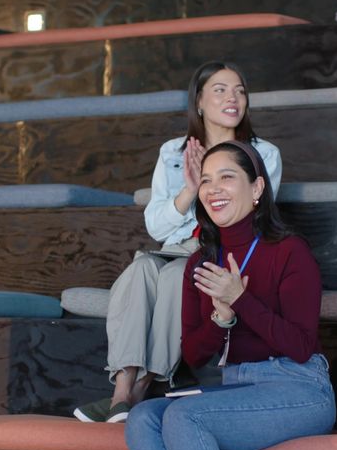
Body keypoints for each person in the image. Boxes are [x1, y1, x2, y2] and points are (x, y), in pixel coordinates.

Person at [125, 141, 334, 450]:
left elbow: (299, 345)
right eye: (205, 179)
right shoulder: (200, 264)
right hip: (239, 389)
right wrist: (221, 318)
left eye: (226, 177)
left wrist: (241, 299)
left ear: (257, 188)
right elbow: (195, 355)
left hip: (299, 389)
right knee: (143, 418)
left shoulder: (290, 251)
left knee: (185, 417)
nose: (213, 188)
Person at [74, 61, 282, 424]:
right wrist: (189, 188)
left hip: (224, 247)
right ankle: (121, 390)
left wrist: (208, 185)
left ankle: (134, 395)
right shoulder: (173, 152)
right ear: (199, 101)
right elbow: (156, 224)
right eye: (220, 90)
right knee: (139, 271)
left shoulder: (263, 154)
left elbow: (254, 214)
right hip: (173, 246)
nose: (232, 98)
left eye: (240, 91)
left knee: (177, 278)